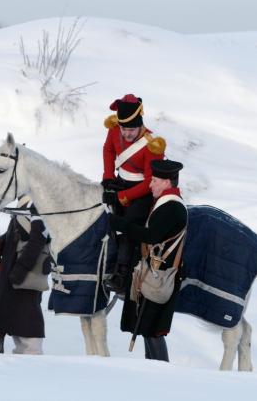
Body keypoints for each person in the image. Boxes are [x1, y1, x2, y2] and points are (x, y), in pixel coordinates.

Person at [109, 159, 188, 361]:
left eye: (154, 180)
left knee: (153, 332)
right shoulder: (166, 204)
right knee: (147, 329)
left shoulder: (171, 207)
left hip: (159, 275)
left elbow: (151, 236)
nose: (150, 184)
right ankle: (154, 370)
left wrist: (117, 223)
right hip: (155, 273)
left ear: (167, 182)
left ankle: (161, 371)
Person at [102, 94, 165, 293]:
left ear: (140, 126)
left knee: (128, 226)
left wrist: (121, 197)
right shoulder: (114, 131)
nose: (126, 134)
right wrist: (108, 177)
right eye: (124, 129)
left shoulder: (152, 145)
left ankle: (122, 275)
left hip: (142, 192)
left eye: (131, 130)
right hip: (120, 182)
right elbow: (108, 150)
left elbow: (149, 182)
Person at [0, 195, 50, 354]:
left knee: (28, 315)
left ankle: (32, 354)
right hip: (15, 270)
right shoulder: (24, 206)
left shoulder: (38, 205)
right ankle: (21, 357)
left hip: (27, 273)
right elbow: (21, 233)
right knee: (15, 315)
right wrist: (3, 241)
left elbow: (39, 239)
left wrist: (21, 269)